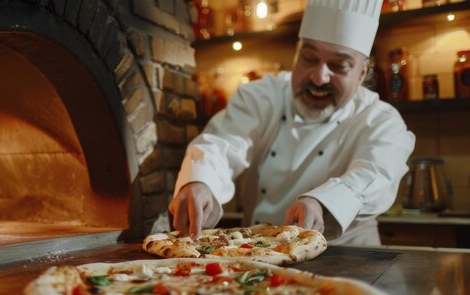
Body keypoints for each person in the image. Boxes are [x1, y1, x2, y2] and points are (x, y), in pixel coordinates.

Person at [168, 0, 415, 245]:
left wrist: (322, 202)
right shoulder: (260, 97)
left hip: (350, 260)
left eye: (339, 66)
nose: (319, 78)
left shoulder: (381, 120)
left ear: (361, 74)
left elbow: (375, 173)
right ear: (297, 57)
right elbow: (223, 143)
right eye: (309, 58)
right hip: (259, 257)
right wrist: (200, 181)